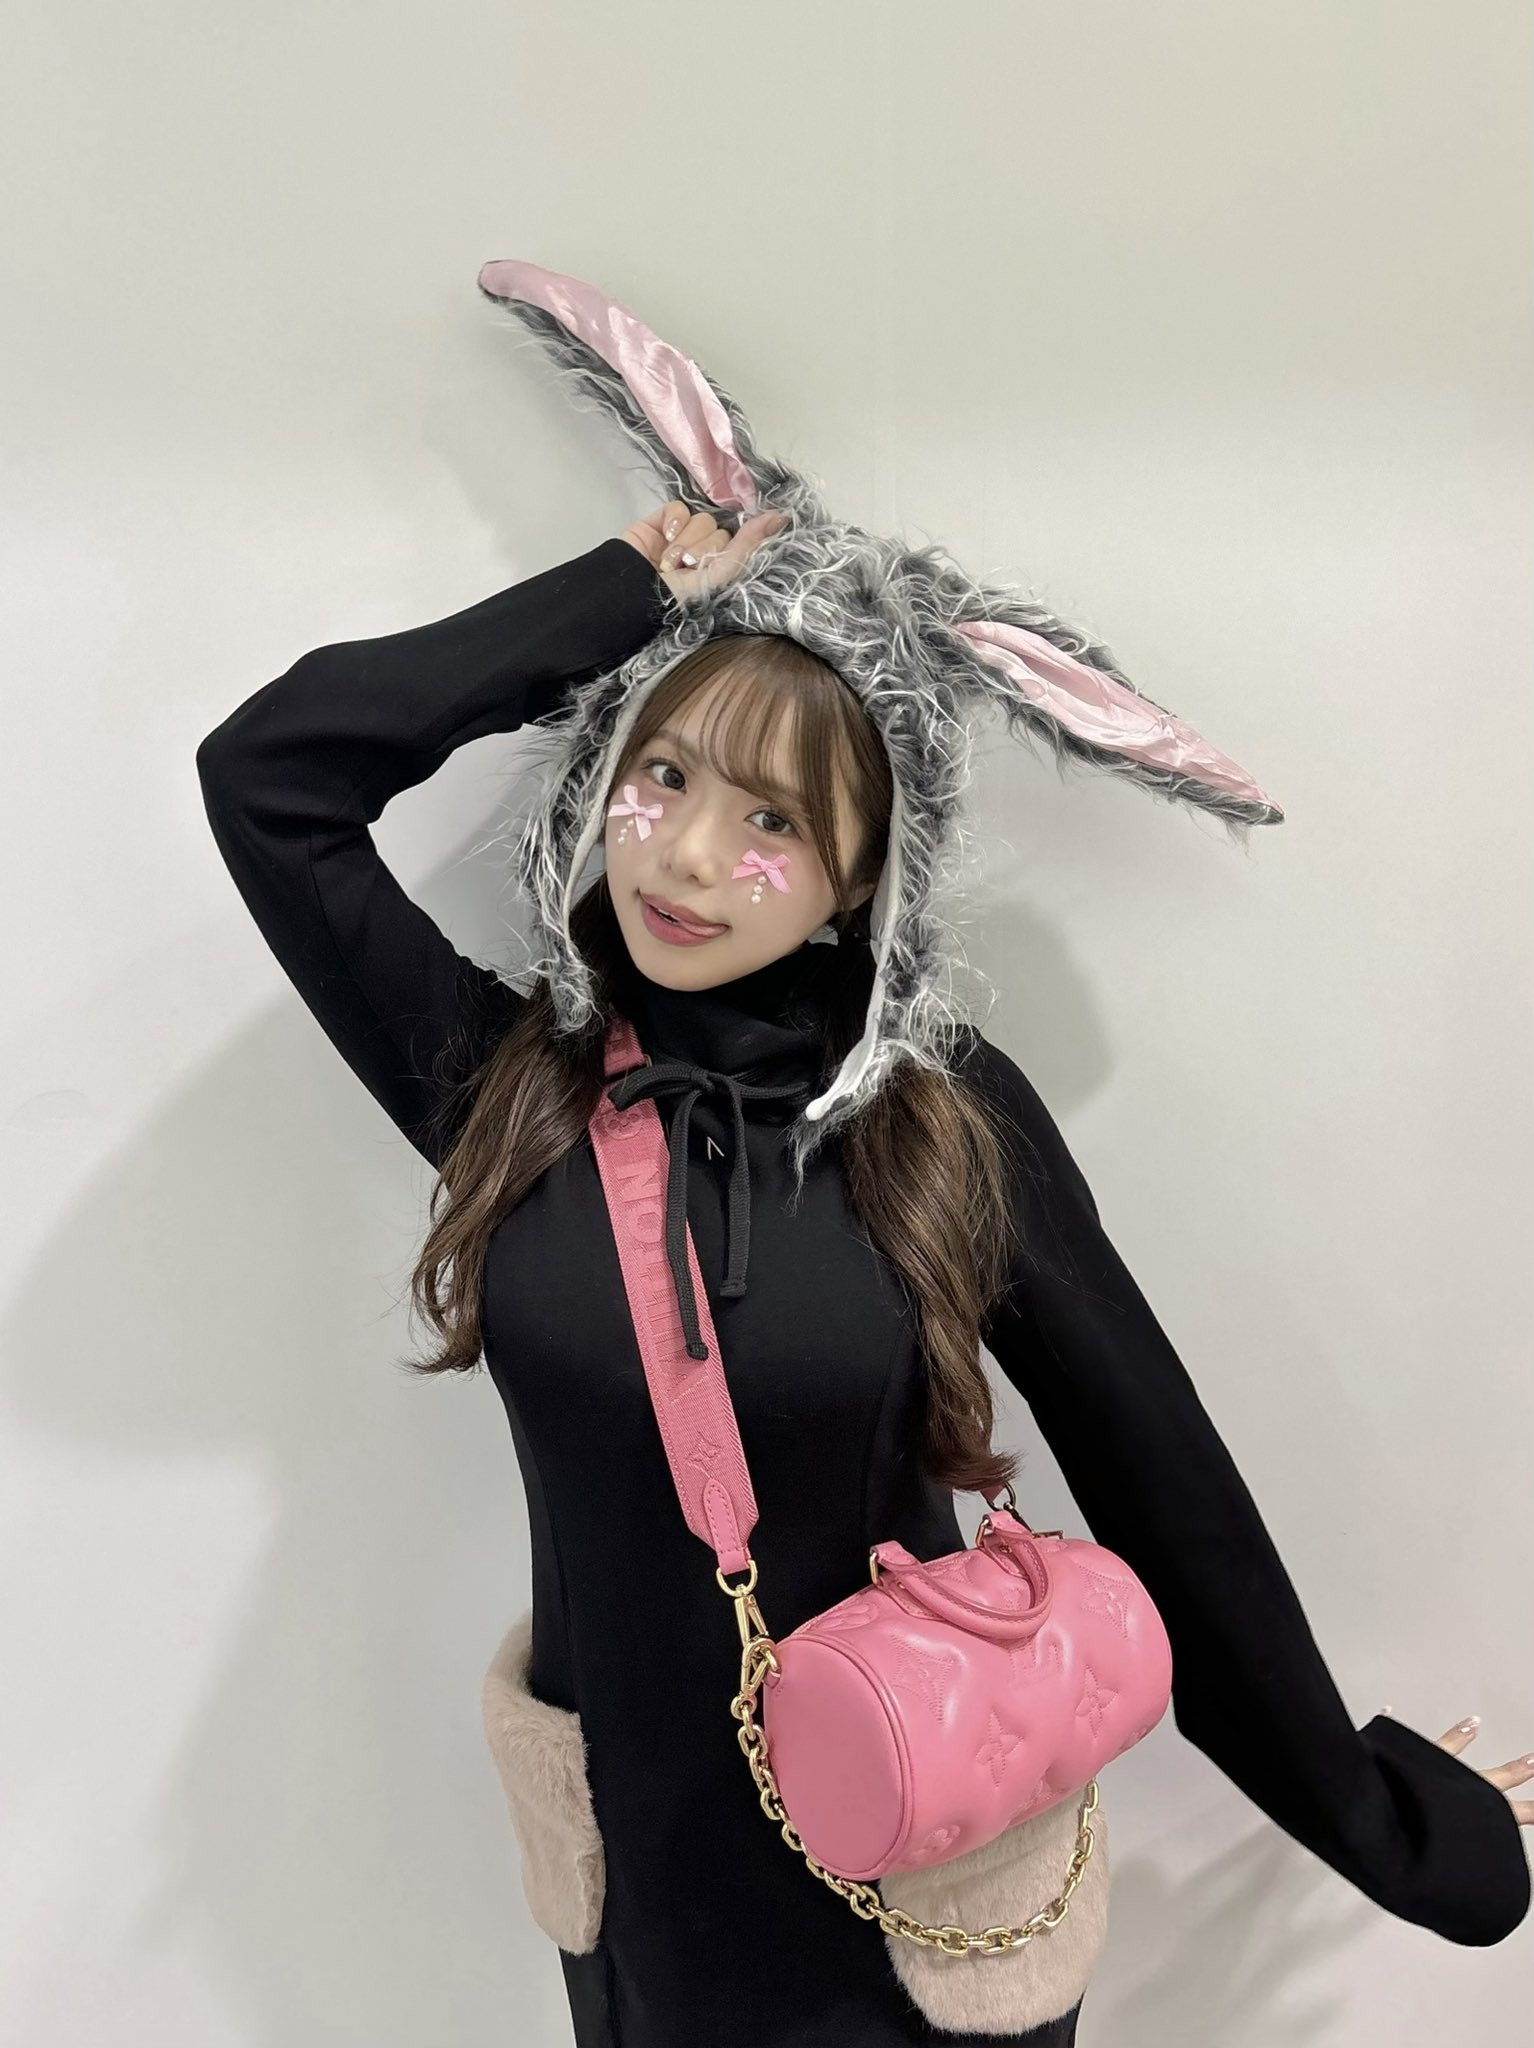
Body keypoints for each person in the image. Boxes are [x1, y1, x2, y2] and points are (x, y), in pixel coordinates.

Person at [196, 496, 1531, 2048]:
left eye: (774, 821)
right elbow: (270, 779)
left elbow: (1159, 1479)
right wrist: (626, 593)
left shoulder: (935, 1116)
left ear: (857, 879)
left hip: (929, 1900)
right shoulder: (511, 1090)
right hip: (638, 1897)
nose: (690, 854)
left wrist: (1380, 1818)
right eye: (663, 774)